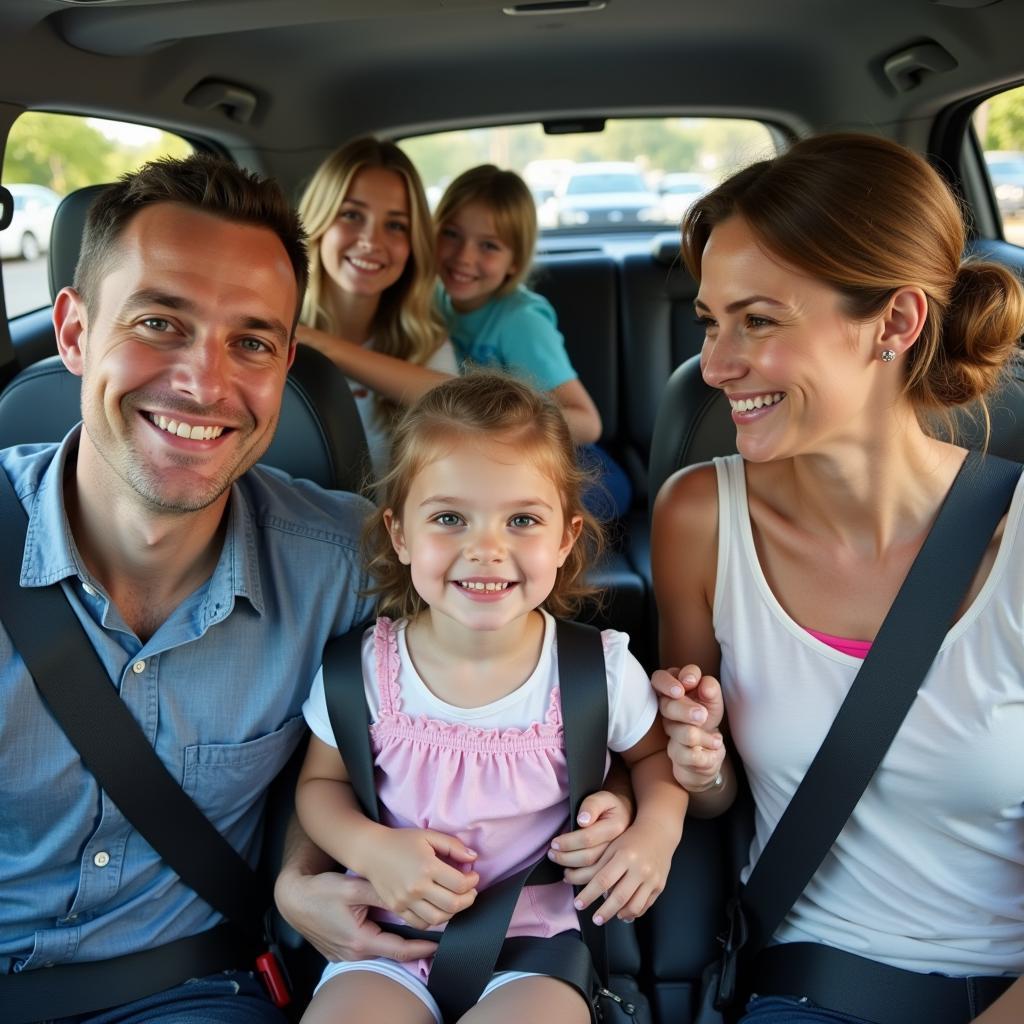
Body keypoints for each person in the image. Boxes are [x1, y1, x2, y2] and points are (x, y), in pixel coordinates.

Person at [0, 152, 449, 1024]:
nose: (204, 384)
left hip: (190, 988)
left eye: (250, 342)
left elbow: (450, 729)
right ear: (72, 333)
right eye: (161, 323)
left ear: (286, 363)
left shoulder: (346, 567)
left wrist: (300, 875)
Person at [649, 132, 1024, 1023]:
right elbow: (717, 798)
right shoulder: (699, 521)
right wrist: (698, 768)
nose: (715, 364)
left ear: (894, 323)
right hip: (817, 984)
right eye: (711, 321)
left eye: (760, 320)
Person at [295, 371, 686, 1023]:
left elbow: (656, 762)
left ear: (564, 538)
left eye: (522, 520)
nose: (485, 549)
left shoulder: (597, 670)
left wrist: (655, 831)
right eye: (450, 518)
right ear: (399, 534)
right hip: (388, 940)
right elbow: (319, 785)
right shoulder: (366, 669)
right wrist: (368, 848)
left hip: (539, 948)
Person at [433, 165, 633, 520]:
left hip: (576, 465)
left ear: (514, 261)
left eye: (489, 246)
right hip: (497, 465)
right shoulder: (431, 301)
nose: (464, 256)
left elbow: (587, 423)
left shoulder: (518, 320)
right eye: (451, 234)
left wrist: (497, 427)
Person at [295, 136, 457, 479]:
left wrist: (323, 346)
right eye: (352, 215)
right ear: (319, 222)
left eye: (395, 225)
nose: (371, 241)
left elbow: (460, 409)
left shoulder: (424, 341)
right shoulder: (270, 327)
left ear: (413, 245)